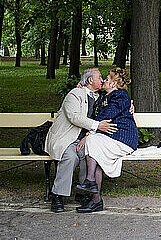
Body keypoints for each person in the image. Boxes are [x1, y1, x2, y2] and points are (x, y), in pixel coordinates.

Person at [45, 68, 118, 213]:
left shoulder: (99, 97)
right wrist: (98, 125)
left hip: (86, 138)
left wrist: (131, 107)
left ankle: (84, 193)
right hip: (67, 138)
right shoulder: (75, 94)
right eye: (99, 77)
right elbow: (74, 117)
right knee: (70, 157)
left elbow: (117, 104)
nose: (103, 80)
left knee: (90, 155)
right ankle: (57, 195)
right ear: (90, 80)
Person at [74, 67, 138, 213]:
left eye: (107, 79)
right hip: (110, 137)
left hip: (123, 138)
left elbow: (106, 115)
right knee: (95, 160)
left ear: (114, 84)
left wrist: (87, 135)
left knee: (91, 142)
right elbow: (92, 97)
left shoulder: (121, 96)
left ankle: (90, 182)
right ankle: (96, 201)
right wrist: (81, 88)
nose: (104, 80)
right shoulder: (105, 96)